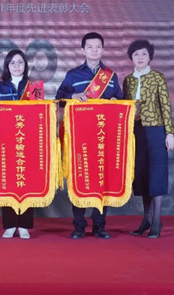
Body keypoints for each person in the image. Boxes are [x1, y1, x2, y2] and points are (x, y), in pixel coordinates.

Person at [55, 32, 123, 239]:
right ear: (83, 50)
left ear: (103, 49)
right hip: (80, 137)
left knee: (102, 178)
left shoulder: (111, 77)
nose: (94, 50)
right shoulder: (72, 75)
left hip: (104, 135)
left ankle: (99, 225)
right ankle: (78, 226)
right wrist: (72, 96)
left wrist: (115, 102)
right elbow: (58, 100)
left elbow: (122, 102)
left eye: (98, 47)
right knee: (80, 178)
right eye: (90, 47)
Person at [123, 39, 174, 239]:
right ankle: (145, 219)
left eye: (143, 54)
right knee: (142, 173)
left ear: (150, 56)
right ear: (131, 57)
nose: (140, 58)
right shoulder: (128, 80)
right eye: (136, 54)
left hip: (156, 130)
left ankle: (157, 221)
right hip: (135, 132)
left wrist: (169, 133)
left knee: (157, 172)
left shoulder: (158, 77)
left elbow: (166, 106)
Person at [0, 49, 33, 239]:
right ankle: (9, 224)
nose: (17, 66)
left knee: (27, 182)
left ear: (25, 65)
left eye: (20, 62)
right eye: (13, 63)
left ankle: (24, 225)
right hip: (5, 141)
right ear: (7, 66)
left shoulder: (33, 87)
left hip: (27, 140)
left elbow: (38, 113)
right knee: (6, 182)